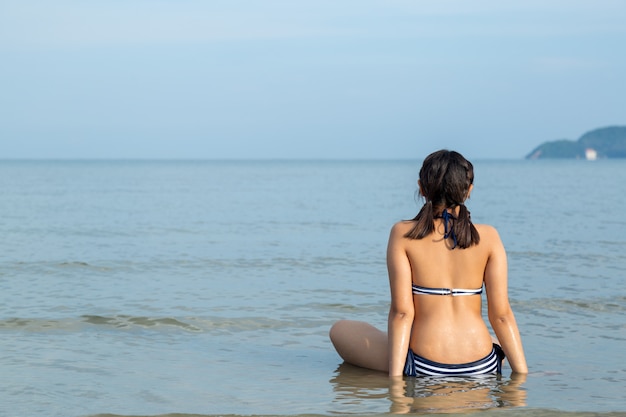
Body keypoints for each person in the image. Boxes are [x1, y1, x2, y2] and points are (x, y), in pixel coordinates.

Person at [329, 149, 528, 377]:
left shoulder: (403, 233)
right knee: (492, 337)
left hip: (425, 365)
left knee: (340, 329)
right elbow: (501, 316)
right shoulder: (489, 236)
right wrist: (522, 376)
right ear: (469, 190)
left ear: (421, 188)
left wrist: (397, 380)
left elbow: (402, 313)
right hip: (482, 365)